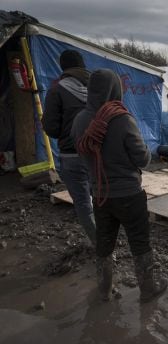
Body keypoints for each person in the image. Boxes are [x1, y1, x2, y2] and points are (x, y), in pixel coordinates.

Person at [72, 69, 167, 303]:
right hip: (129, 195)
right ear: (116, 90)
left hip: (100, 195)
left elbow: (84, 155)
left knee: (104, 243)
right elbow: (143, 159)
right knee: (139, 241)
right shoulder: (123, 119)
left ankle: (104, 290)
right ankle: (148, 289)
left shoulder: (80, 120)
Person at [43, 50, 96, 246]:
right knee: (101, 196)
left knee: (83, 203)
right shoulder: (99, 88)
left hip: (72, 155)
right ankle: (109, 237)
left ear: (63, 68)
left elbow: (51, 128)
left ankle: (100, 244)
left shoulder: (56, 91)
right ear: (83, 65)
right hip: (98, 154)